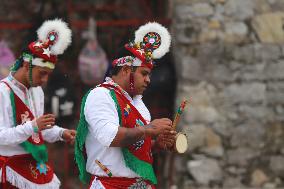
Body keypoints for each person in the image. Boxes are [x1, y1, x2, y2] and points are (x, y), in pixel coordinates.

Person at [75, 22, 176, 189]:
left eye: (149, 75)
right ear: (126, 70)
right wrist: (149, 129)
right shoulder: (101, 95)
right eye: (144, 74)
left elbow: (132, 148)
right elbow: (110, 137)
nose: (148, 80)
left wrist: (156, 144)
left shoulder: (138, 103)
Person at [0, 18, 76, 189]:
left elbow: (38, 131)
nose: (44, 80)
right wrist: (33, 126)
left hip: (35, 163)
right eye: (42, 74)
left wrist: (61, 133)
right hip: (10, 170)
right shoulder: (2, 92)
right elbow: (1, 136)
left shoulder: (37, 91)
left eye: (48, 74)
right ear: (27, 65)